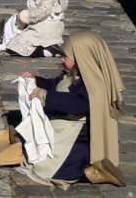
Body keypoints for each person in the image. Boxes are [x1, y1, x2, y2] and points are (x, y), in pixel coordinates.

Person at [20, 31, 126, 187]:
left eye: (65, 56)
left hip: (79, 138)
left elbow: (78, 104)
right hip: (65, 129)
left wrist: (46, 96)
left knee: (48, 163)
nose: (62, 59)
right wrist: (36, 81)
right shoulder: (76, 75)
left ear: (81, 57)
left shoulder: (96, 87)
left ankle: (94, 173)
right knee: (34, 144)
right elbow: (57, 85)